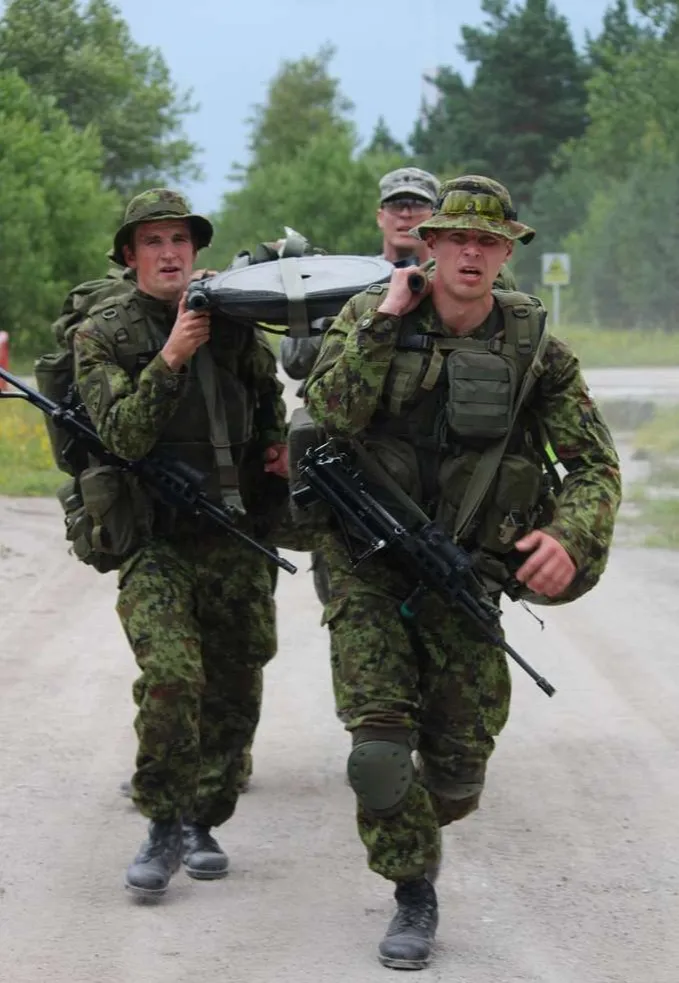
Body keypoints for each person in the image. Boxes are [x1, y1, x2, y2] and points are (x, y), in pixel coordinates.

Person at [304, 175, 622, 969]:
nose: (473, 254)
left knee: (458, 767)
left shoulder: (533, 348)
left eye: (490, 242)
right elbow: (328, 415)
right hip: (366, 563)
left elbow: (594, 466)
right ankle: (414, 891)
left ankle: (424, 815)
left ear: (506, 251)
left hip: (464, 572)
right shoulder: (366, 315)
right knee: (378, 752)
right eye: (459, 240)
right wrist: (382, 324)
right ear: (431, 244)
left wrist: (568, 536)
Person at [72, 188, 288, 899]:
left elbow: (266, 408)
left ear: (196, 251)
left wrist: (279, 454)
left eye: (180, 241)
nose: (169, 253)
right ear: (130, 254)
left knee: (233, 686)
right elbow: (121, 435)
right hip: (156, 539)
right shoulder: (103, 333)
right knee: (171, 677)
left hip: (233, 534)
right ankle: (163, 821)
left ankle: (204, 818)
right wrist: (168, 358)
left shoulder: (232, 325)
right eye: (153, 241)